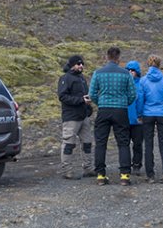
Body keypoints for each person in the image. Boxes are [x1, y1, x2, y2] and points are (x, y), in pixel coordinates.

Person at [88, 45, 139, 185]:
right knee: (123, 142)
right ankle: (124, 175)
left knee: (101, 142)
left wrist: (101, 103)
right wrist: (124, 103)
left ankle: (100, 175)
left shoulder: (98, 73)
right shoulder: (126, 74)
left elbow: (92, 94)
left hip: (104, 110)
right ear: (118, 58)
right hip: (121, 110)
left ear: (107, 57)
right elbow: (133, 94)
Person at [137, 56, 163, 182]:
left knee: (148, 144)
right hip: (162, 113)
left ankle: (150, 175)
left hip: (147, 113)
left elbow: (140, 98)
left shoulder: (143, 81)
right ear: (159, 65)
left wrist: (140, 113)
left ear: (148, 64)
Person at [56, 54, 93, 179]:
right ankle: (67, 171)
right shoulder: (65, 78)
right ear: (72, 65)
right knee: (68, 144)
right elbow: (62, 97)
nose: (81, 66)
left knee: (87, 143)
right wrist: (81, 100)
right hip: (71, 117)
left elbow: (84, 95)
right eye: (78, 64)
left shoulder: (81, 78)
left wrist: (88, 108)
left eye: (82, 64)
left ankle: (88, 168)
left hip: (84, 116)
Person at [125, 60, 145, 176]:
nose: (130, 72)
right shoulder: (123, 84)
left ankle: (137, 164)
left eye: (132, 70)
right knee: (125, 144)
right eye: (128, 70)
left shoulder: (141, 84)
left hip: (138, 120)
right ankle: (126, 165)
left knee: (137, 144)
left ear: (137, 72)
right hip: (125, 119)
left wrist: (141, 116)